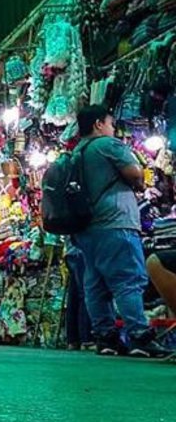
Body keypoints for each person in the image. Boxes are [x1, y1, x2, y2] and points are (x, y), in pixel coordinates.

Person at [71, 106, 171, 358]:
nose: (113, 128)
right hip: (115, 224)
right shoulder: (107, 145)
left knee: (95, 284)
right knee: (128, 280)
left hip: (86, 230)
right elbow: (135, 176)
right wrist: (139, 180)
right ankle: (139, 335)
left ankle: (106, 338)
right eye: (110, 123)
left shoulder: (76, 152)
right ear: (98, 124)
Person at [64, 242, 93, 350]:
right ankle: (86, 338)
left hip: (73, 252)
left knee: (75, 295)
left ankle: (73, 339)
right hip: (83, 250)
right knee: (86, 293)